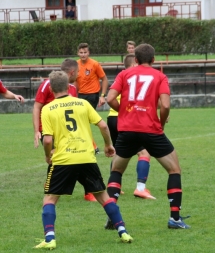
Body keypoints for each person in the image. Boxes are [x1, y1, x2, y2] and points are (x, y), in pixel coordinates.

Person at [33, 71, 133, 249]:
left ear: (50, 87)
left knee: (49, 199)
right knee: (103, 196)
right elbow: (102, 125)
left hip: (63, 160)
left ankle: (49, 239)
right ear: (69, 86)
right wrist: (109, 145)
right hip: (87, 157)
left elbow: (47, 140)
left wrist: (48, 155)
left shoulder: (48, 109)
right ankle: (123, 231)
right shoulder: (83, 103)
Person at [106, 43, 190, 229]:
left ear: (135, 59)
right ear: (153, 60)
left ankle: (113, 219)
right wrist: (161, 122)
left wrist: (124, 114)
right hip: (151, 129)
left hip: (127, 130)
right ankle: (175, 219)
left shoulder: (124, 74)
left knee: (116, 171)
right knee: (174, 170)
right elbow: (166, 106)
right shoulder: (160, 76)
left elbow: (110, 98)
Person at [32, 58, 97, 202]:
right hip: (49, 130)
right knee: (57, 159)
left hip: (67, 133)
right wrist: (37, 130)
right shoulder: (47, 85)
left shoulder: (72, 88)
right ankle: (55, 190)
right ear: (72, 72)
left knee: (72, 159)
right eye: (78, 72)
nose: (79, 75)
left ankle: (87, 191)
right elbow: (37, 106)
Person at [107, 53, 155, 200]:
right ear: (134, 64)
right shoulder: (134, 76)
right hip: (127, 119)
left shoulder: (121, 75)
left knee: (119, 153)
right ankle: (140, 188)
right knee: (144, 153)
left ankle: (114, 186)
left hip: (112, 118)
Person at [75, 42, 109, 154]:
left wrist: (102, 96)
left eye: (85, 52)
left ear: (88, 53)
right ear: (78, 53)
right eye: (81, 52)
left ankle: (93, 146)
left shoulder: (94, 64)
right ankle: (91, 146)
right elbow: (75, 81)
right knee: (82, 122)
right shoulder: (76, 65)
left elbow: (104, 79)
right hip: (80, 96)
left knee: (83, 121)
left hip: (92, 96)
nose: (83, 54)